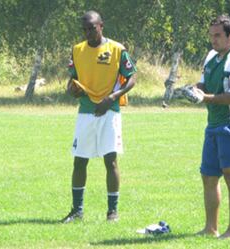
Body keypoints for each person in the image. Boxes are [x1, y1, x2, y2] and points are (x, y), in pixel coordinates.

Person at [61, 10, 137, 223]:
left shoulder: (116, 49)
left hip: (109, 111)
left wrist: (112, 97)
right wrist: (71, 89)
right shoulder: (77, 50)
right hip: (85, 111)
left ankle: (112, 211)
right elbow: (72, 80)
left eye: (92, 29)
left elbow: (132, 78)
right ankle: (77, 210)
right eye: (85, 30)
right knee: (79, 161)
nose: (88, 33)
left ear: (101, 26)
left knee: (110, 161)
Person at [186, 15, 230, 238]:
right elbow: (204, 84)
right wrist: (192, 89)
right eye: (210, 35)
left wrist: (205, 98)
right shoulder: (212, 56)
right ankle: (210, 228)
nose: (212, 40)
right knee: (208, 176)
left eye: (217, 36)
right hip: (213, 125)